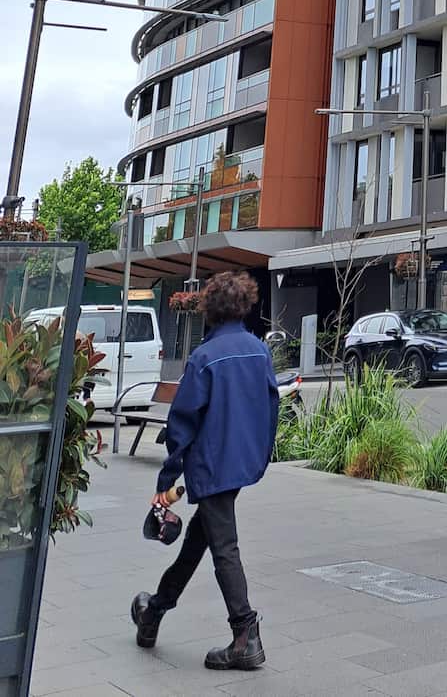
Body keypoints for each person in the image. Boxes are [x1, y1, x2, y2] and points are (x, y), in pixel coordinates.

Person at [130, 270, 279, 672]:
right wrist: (260, 457)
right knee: (200, 539)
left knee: (223, 546)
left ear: (209, 309)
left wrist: (166, 483)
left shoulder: (204, 357)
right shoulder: (258, 351)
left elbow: (182, 424)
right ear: (245, 306)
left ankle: (245, 633)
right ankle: (154, 610)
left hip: (211, 464)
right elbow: (272, 407)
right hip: (240, 463)